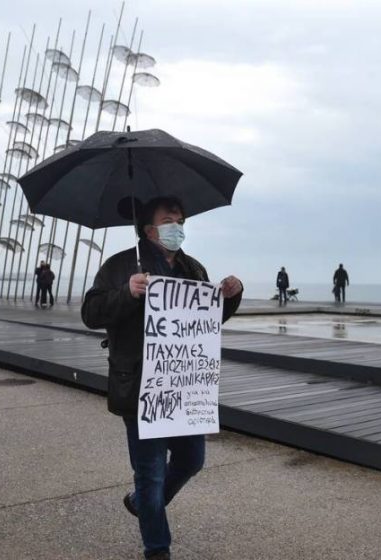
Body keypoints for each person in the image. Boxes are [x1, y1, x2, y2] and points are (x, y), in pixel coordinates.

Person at [82, 197, 243, 560]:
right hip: (141, 388)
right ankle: (157, 548)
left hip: (184, 388)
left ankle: (142, 504)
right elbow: (90, 313)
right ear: (149, 229)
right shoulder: (120, 265)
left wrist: (231, 296)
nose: (177, 226)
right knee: (151, 474)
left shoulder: (193, 268)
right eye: (169, 220)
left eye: (181, 220)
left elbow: (207, 321)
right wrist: (127, 292)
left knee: (191, 460)